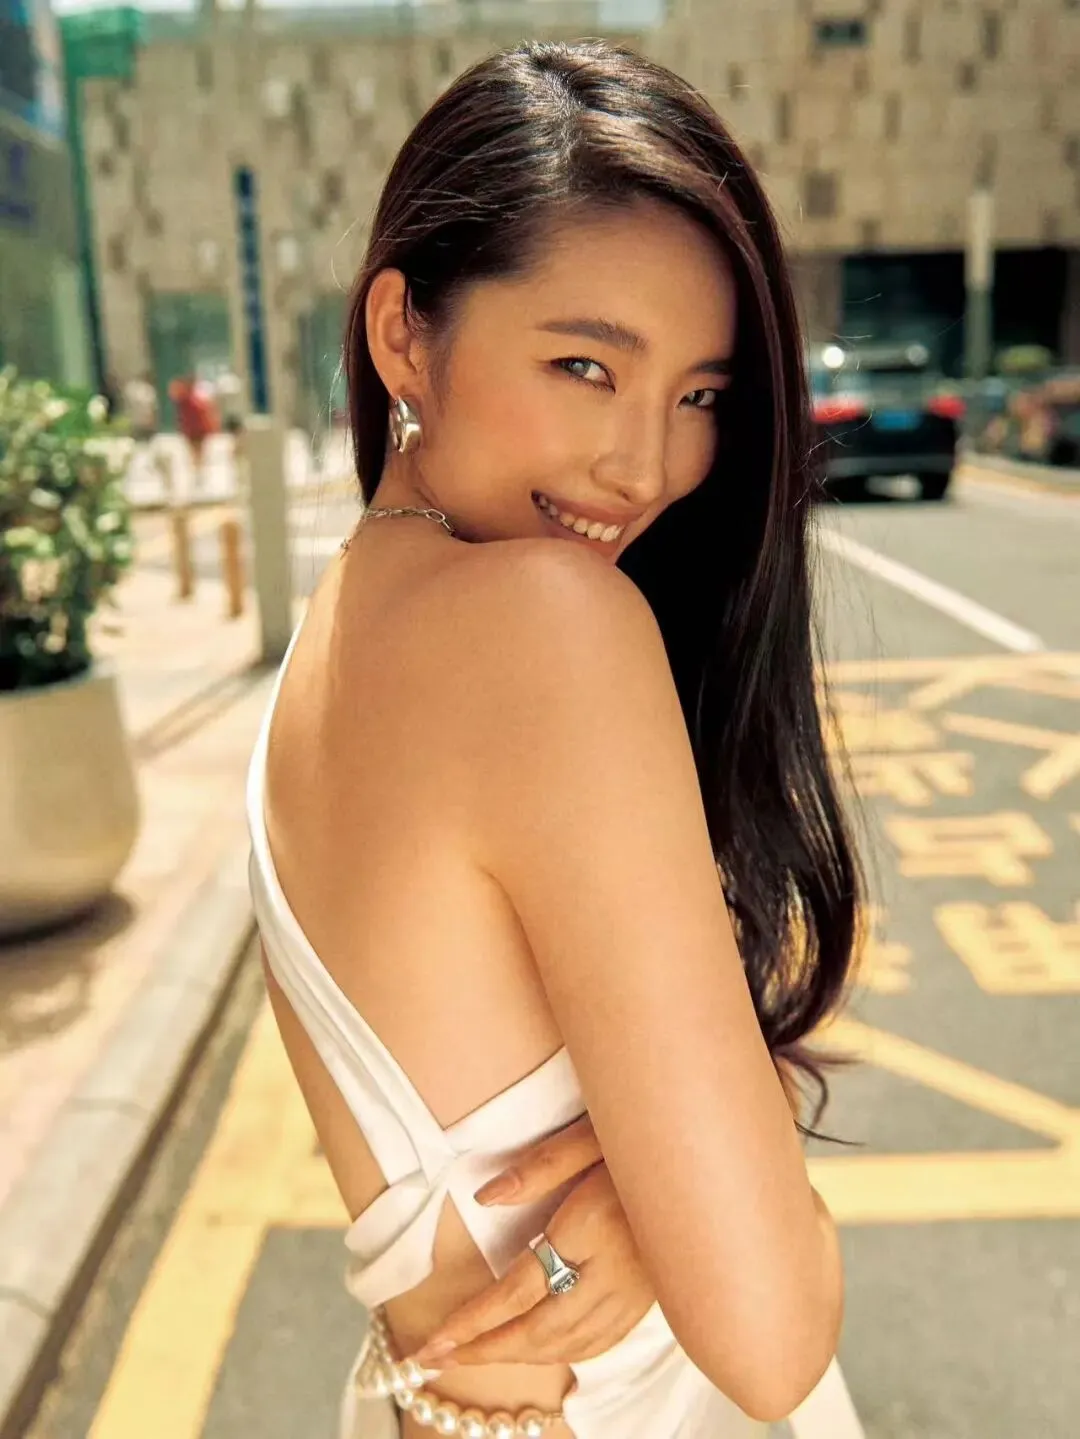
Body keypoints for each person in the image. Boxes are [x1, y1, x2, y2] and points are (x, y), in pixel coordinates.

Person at [247, 40, 862, 1439]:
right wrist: (722, 1176)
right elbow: (771, 1336)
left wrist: (666, 1181)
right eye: (585, 365)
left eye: (699, 396)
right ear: (404, 334)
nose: (644, 466)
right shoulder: (547, 620)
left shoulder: (333, 634)